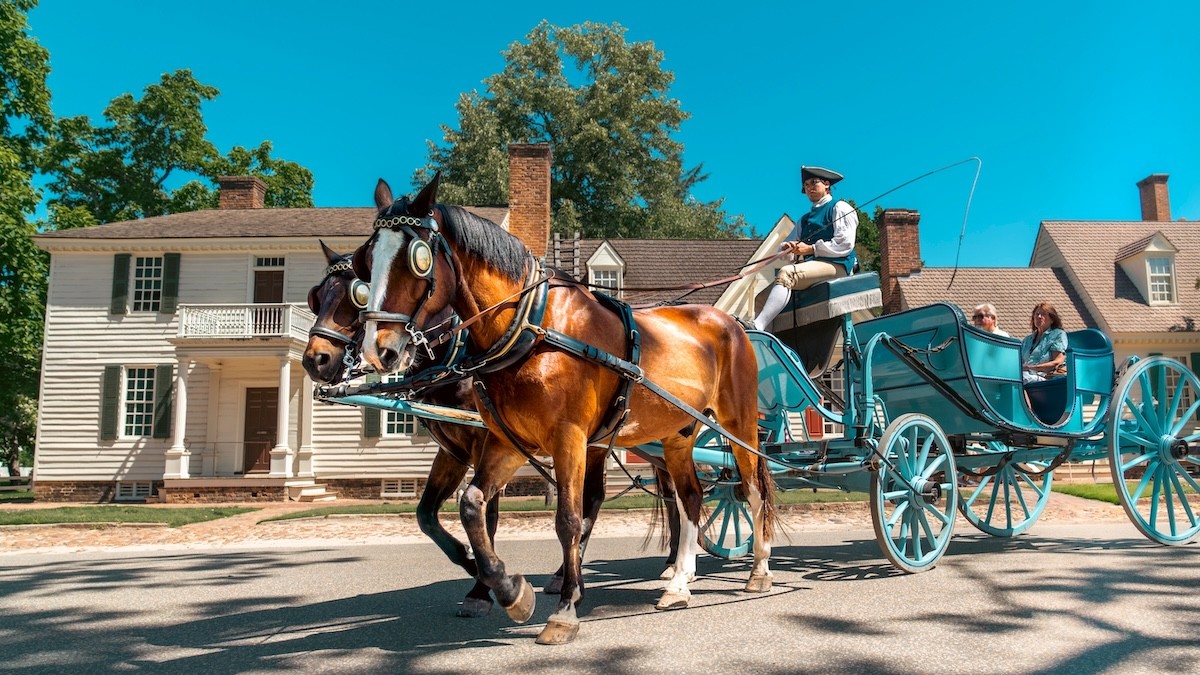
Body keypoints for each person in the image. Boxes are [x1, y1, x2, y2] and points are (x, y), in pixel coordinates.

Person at [752, 166, 859, 331]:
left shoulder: (840, 207)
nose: (809, 188)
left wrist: (810, 249)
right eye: (806, 185)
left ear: (826, 184)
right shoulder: (804, 220)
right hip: (812, 267)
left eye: (813, 183)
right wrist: (787, 247)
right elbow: (784, 247)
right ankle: (764, 343)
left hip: (838, 265)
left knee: (787, 273)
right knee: (760, 298)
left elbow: (844, 243)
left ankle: (758, 326)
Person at [1021, 302, 1067, 384]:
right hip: (1026, 375)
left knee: (1020, 379)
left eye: (1043, 314)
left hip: (1044, 377)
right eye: (1037, 314)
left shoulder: (1057, 335)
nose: (1039, 317)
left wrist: (1032, 367)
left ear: (1052, 319)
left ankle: (1023, 397)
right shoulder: (1027, 340)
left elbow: (1058, 362)